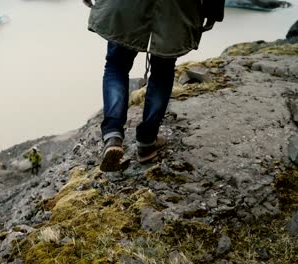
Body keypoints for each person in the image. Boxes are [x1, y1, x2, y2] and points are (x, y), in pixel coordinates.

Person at [83, 0, 225, 172]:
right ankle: (147, 141)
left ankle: (113, 135)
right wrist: (213, 11)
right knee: (163, 71)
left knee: (117, 66)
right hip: (177, 7)